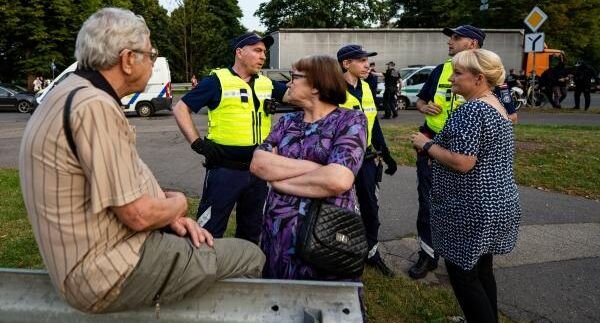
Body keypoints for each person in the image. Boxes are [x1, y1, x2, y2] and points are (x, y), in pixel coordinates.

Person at [19, 7, 264, 314]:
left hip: (92, 258)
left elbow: (121, 187)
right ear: (127, 60)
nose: (153, 61)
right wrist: (176, 205)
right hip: (109, 272)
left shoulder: (69, 93)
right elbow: (138, 215)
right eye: (150, 53)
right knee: (250, 254)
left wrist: (171, 220)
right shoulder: (94, 106)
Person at [410, 48, 521, 323]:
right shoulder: (496, 105)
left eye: (458, 74)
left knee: (463, 277)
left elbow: (462, 162)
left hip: (470, 207)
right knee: (482, 271)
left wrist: (427, 145)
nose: (451, 80)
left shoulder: (472, 110)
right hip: (497, 201)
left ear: (479, 78)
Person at [249, 54, 367, 281]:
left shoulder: (350, 120)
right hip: (279, 233)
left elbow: (338, 180)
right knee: (278, 303)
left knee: (322, 306)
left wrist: (278, 181)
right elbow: (259, 163)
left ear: (315, 85)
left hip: (325, 235)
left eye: (294, 77)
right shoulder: (287, 122)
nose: (288, 83)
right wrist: (317, 167)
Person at [172, 32, 288, 244]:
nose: (263, 56)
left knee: (252, 228)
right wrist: (198, 143)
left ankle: (246, 272)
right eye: (257, 50)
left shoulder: (267, 84)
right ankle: (205, 272)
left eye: (265, 52)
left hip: (258, 170)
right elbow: (181, 108)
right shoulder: (217, 81)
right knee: (209, 228)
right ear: (240, 52)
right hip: (225, 169)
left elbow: (297, 96)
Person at [337, 44, 398, 277]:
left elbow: (374, 124)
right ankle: (341, 252)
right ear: (346, 64)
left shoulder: (367, 87)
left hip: (367, 160)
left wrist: (386, 153)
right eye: (361, 61)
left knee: (370, 208)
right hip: (341, 162)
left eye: (367, 61)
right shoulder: (333, 89)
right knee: (341, 209)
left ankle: (371, 253)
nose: (367, 65)